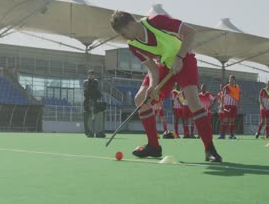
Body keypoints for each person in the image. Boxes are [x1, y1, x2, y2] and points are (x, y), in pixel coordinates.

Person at [110, 11, 222, 162]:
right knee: (140, 99)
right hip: (164, 66)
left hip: (185, 59)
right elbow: (152, 68)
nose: (124, 37)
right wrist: (152, 86)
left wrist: (179, 57)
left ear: (130, 24)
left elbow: (190, 33)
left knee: (193, 101)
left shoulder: (156, 21)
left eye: (123, 33)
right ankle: (153, 146)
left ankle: (210, 150)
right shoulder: (133, 45)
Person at [83, 70, 105, 138]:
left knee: (99, 116)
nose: (91, 75)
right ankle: (89, 133)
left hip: (96, 101)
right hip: (87, 101)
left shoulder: (96, 81)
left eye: (92, 74)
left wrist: (98, 98)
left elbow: (97, 90)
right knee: (87, 117)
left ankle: (99, 132)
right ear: (87, 75)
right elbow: (87, 89)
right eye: (89, 74)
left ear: (94, 75)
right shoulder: (85, 82)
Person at [220, 75, 241, 139]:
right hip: (227, 105)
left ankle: (231, 135)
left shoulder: (237, 88)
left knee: (232, 121)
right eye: (230, 79)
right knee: (225, 120)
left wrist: (239, 106)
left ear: (234, 80)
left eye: (232, 80)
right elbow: (222, 97)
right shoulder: (226, 87)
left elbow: (239, 97)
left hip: (234, 106)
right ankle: (222, 135)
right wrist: (222, 105)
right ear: (229, 80)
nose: (231, 81)